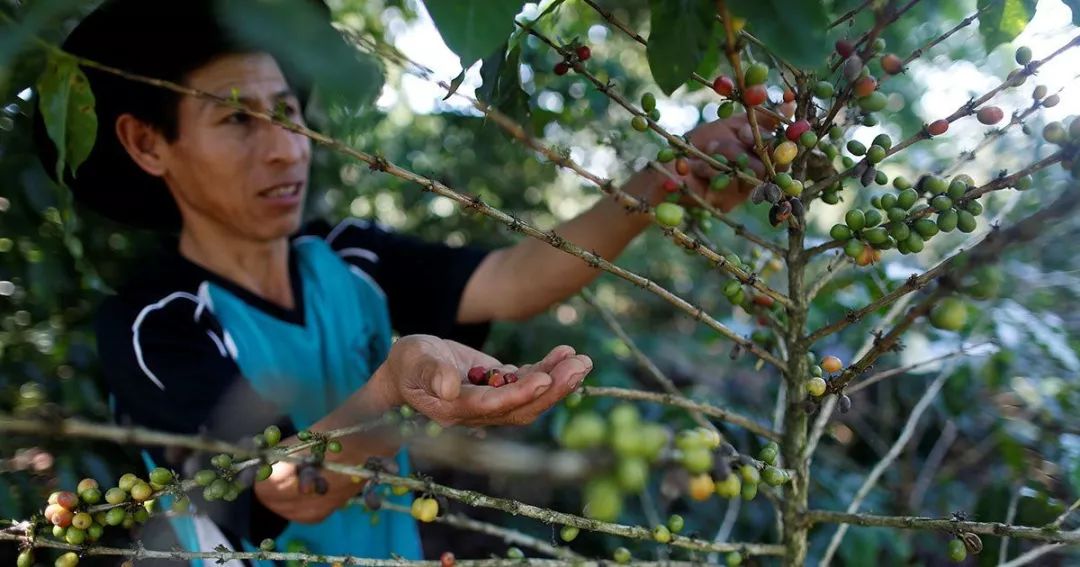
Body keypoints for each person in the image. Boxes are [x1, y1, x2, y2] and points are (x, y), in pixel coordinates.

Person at [30, 0, 768, 564]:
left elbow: (516, 277)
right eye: (238, 120)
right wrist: (391, 390)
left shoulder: (350, 259)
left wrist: (665, 176)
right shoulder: (157, 323)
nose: (287, 151)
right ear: (147, 143)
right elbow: (281, 487)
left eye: (288, 114)